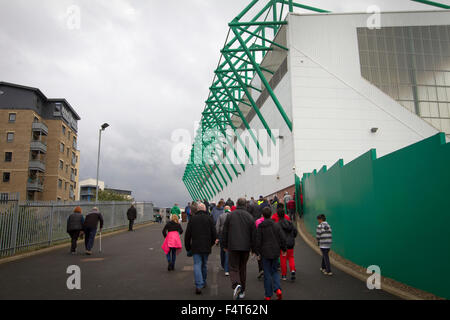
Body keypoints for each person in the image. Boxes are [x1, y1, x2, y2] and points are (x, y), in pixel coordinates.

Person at [222, 198, 256, 300]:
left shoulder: (230, 215)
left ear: (236, 204)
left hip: (233, 246)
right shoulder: (250, 217)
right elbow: (254, 234)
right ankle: (242, 292)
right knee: (242, 268)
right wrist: (254, 249)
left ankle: (236, 284)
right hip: (245, 247)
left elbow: (225, 231)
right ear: (245, 205)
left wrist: (224, 245)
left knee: (233, 267)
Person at [185, 203, 217, 295]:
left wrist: (188, 248)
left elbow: (188, 235)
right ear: (205, 209)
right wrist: (210, 244)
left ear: (197, 209)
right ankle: (203, 281)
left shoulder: (192, 219)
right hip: (206, 246)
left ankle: (199, 285)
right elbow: (214, 234)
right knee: (204, 264)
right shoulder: (209, 219)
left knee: (197, 265)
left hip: (195, 246)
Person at [256, 207, 287, 301]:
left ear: (263, 215)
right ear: (271, 214)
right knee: (275, 271)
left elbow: (258, 240)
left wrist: (257, 252)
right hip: (275, 251)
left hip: (265, 253)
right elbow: (282, 238)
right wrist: (284, 249)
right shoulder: (276, 225)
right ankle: (277, 289)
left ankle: (268, 295)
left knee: (267, 273)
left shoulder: (260, 226)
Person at [277, 204, 298, 281]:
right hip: (291, 243)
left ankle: (284, 275)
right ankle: (292, 270)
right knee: (291, 257)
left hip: (283, 245)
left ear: (278, 215)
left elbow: (277, 236)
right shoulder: (290, 223)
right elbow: (295, 231)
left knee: (283, 260)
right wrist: (293, 237)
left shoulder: (277, 224)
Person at [216, 206, 232, 276]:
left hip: (222, 234)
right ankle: (227, 267)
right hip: (230, 234)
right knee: (228, 251)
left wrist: (217, 236)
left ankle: (223, 264)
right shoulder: (232, 215)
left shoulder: (221, 216)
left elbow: (217, 226)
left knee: (222, 250)